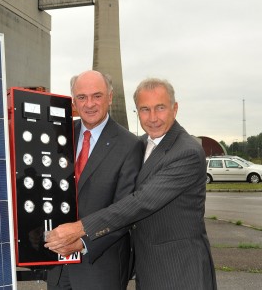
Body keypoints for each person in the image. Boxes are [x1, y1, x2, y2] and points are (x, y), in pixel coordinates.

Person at [45, 78, 217, 290]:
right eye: (145, 109)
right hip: (147, 268)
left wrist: (80, 230)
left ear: (175, 108)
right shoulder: (143, 143)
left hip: (179, 270)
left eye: (160, 108)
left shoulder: (186, 151)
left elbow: (140, 202)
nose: (152, 118)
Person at [47, 70, 143, 290]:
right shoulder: (60, 137)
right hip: (58, 267)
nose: (89, 104)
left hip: (100, 267)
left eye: (96, 96)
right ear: (74, 102)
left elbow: (124, 211)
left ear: (110, 97)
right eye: (82, 97)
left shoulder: (130, 145)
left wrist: (81, 243)